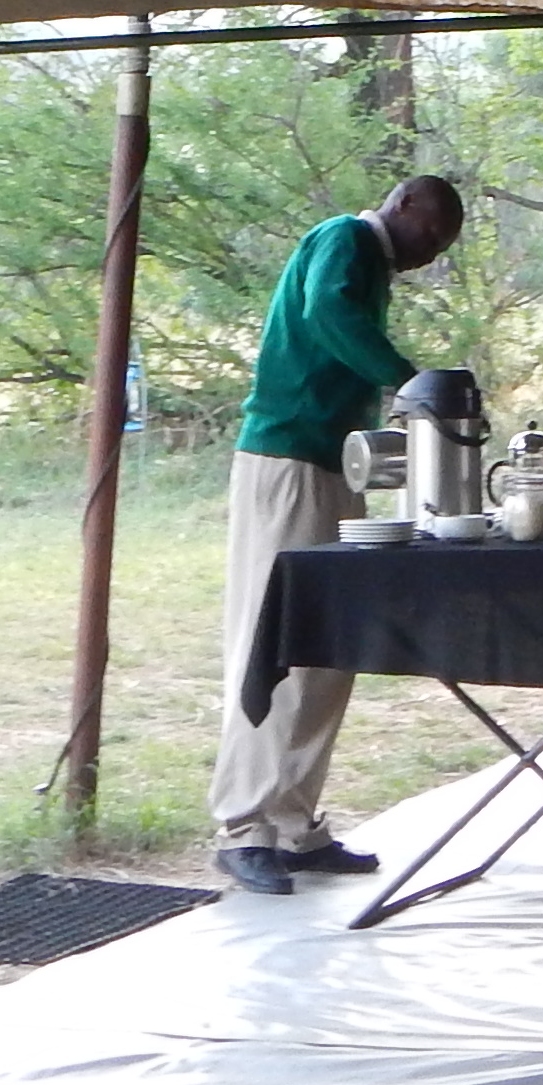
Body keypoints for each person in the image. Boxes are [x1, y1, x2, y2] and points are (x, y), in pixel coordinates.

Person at [212, 172, 465, 893]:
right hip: (286, 455)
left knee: (327, 650)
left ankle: (295, 821)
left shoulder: (372, 264)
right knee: (274, 641)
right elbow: (328, 312)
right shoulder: (343, 238)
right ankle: (243, 824)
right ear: (404, 203)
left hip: (332, 464)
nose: (432, 249)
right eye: (433, 232)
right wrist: (408, 380)